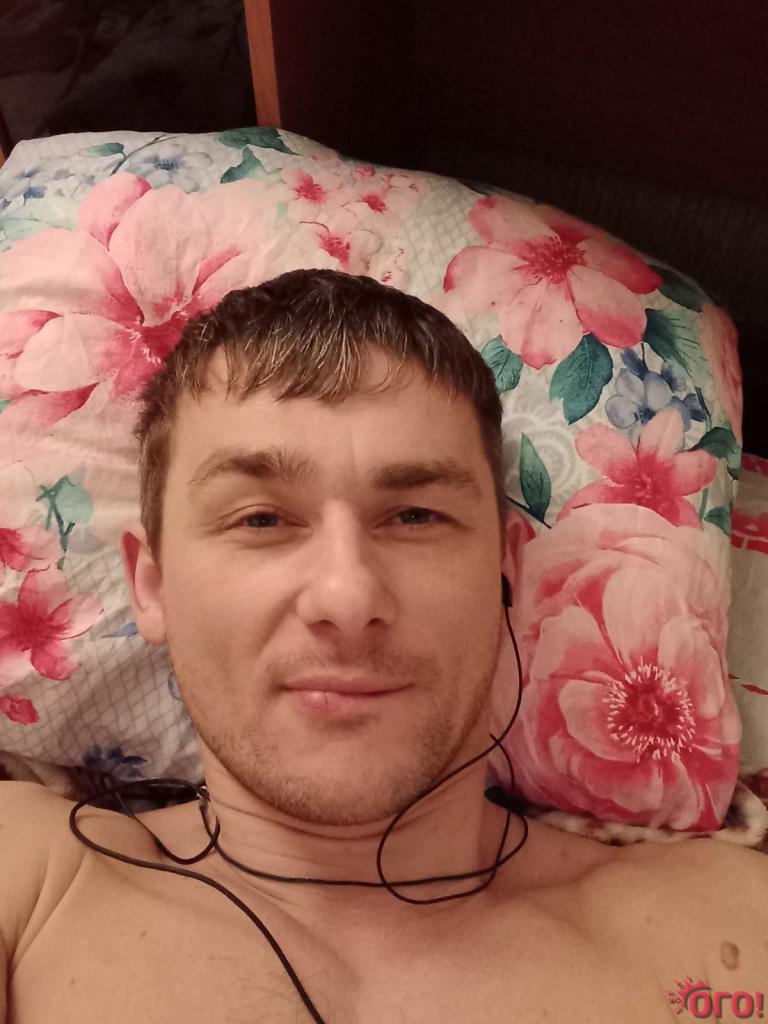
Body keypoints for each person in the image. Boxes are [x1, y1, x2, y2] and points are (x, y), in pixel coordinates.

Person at [0, 269, 766, 1024]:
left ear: (505, 569)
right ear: (153, 585)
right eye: (260, 519)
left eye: (416, 517)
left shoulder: (720, 929)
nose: (348, 597)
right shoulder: (31, 881)